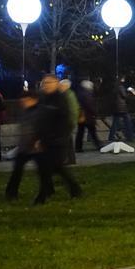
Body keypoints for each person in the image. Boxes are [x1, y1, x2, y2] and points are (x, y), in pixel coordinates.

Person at [34, 74, 82, 205]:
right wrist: (38, 136)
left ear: (56, 84)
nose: (46, 86)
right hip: (46, 138)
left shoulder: (61, 99)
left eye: (49, 83)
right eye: (44, 83)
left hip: (57, 140)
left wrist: (59, 136)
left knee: (52, 168)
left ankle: (43, 196)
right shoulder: (44, 98)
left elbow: (64, 120)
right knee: (50, 168)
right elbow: (41, 119)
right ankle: (73, 189)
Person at [5, 91, 45, 200]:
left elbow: (41, 127)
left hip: (35, 146)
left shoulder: (39, 112)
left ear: (33, 100)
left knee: (44, 171)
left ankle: (45, 192)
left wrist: (38, 140)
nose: (23, 103)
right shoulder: (26, 111)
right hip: (25, 146)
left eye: (26, 100)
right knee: (17, 170)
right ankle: (11, 192)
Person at [75, 80, 102, 152]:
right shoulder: (88, 94)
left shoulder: (80, 93)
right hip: (88, 116)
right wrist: (95, 113)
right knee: (92, 131)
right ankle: (98, 145)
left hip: (81, 115)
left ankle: (78, 147)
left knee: (80, 132)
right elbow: (90, 105)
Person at [59, 79, 79, 164]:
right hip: (69, 121)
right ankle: (71, 159)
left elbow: (72, 110)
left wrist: (71, 121)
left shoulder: (67, 95)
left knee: (66, 142)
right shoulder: (69, 94)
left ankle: (66, 159)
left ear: (65, 86)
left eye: (61, 85)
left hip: (67, 122)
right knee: (69, 142)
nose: (59, 87)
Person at [108, 77, 135, 142]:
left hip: (116, 108)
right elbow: (124, 96)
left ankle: (111, 137)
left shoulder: (114, 88)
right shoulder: (121, 87)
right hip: (122, 108)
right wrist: (130, 92)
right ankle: (130, 137)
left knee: (115, 123)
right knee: (128, 123)